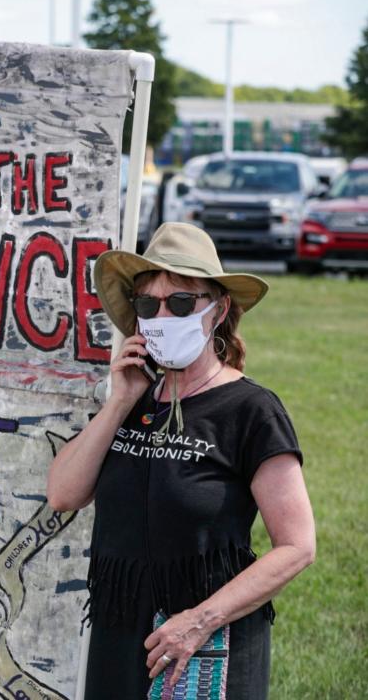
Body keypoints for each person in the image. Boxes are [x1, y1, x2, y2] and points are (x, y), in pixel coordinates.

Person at [47, 223, 315, 698]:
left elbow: (297, 546)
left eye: (182, 302)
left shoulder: (250, 410)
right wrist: (119, 402)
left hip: (207, 639)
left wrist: (198, 621)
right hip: (120, 633)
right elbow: (63, 494)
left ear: (219, 309)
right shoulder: (132, 400)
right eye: (149, 304)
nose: (162, 315)